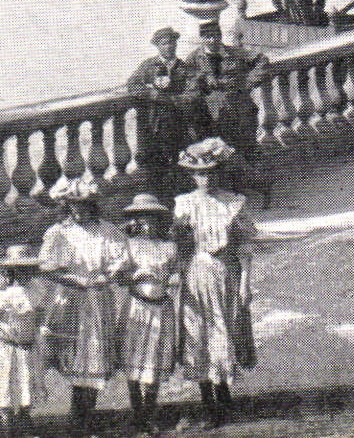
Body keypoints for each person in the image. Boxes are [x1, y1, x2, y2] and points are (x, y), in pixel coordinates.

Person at [173, 139, 257, 429]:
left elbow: (245, 247)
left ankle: (225, 395)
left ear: (218, 173)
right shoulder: (183, 205)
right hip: (196, 274)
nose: (205, 179)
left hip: (226, 274)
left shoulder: (233, 203)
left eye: (210, 173)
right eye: (199, 174)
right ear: (191, 176)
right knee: (198, 332)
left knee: (225, 329)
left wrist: (245, 282)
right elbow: (179, 247)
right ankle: (209, 401)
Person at [37, 176, 125, 434]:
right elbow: (46, 267)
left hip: (98, 299)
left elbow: (120, 261)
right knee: (75, 357)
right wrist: (74, 279)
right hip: (70, 300)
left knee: (94, 357)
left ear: (92, 205)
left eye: (84, 205)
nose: (78, 210)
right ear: (66, 206)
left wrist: (107, 275)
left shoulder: (107, 231)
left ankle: (86, 416)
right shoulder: (59, 233)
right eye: (73, 205)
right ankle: (77, 417)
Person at [112, 195, 183, 436]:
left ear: (158, 221)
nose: (146, 224)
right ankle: (137, 412)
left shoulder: (169, 247)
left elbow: (176, 275)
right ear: (135, 221)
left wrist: (172, 280)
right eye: (141, 219)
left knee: (154, 362)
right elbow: (119, 279)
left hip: (161, 308)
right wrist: (136, 275)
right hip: (136, 307)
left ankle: (148, 413)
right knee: (134, 361)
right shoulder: (129, 245)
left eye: (151, 219)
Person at [186, 21, 271, 204]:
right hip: (211, 115)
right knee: (221, 153)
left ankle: (263, 189)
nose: (212, 40)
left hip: (241, 110)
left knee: (248, 148)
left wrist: (247, 83)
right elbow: (187, 82)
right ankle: (233, 193)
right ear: (201, 38)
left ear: (220, 36)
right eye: (207, 36)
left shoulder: (234, 53)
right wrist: (200, 86)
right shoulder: (194, 59)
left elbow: (262, 60)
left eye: (216, 36)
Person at [126, 27, 210, 199]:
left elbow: (193, 93)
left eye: (172, 42)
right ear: (158, 46)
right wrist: (152, 94)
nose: (169, 47)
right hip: (152, 125)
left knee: (178, 163)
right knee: (153, 164)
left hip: (177, 124)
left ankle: (177, 199)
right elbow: (132, 85)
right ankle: (160, 199)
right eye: (164, 43)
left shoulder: (184, 69)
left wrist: (172, 100)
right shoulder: (149, 66)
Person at [0, 245, 45, 438]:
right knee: (5, 388)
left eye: (27, 268)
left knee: (26, 386)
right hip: (6, 348)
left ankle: (24, 417)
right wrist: (1, 325)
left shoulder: (35, 288)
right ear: (10, 271)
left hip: (27, 347)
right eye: (19, 269)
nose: (24, 273)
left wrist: (40, 326)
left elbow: (39, 311)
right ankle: (8, 425)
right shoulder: (1, 292)